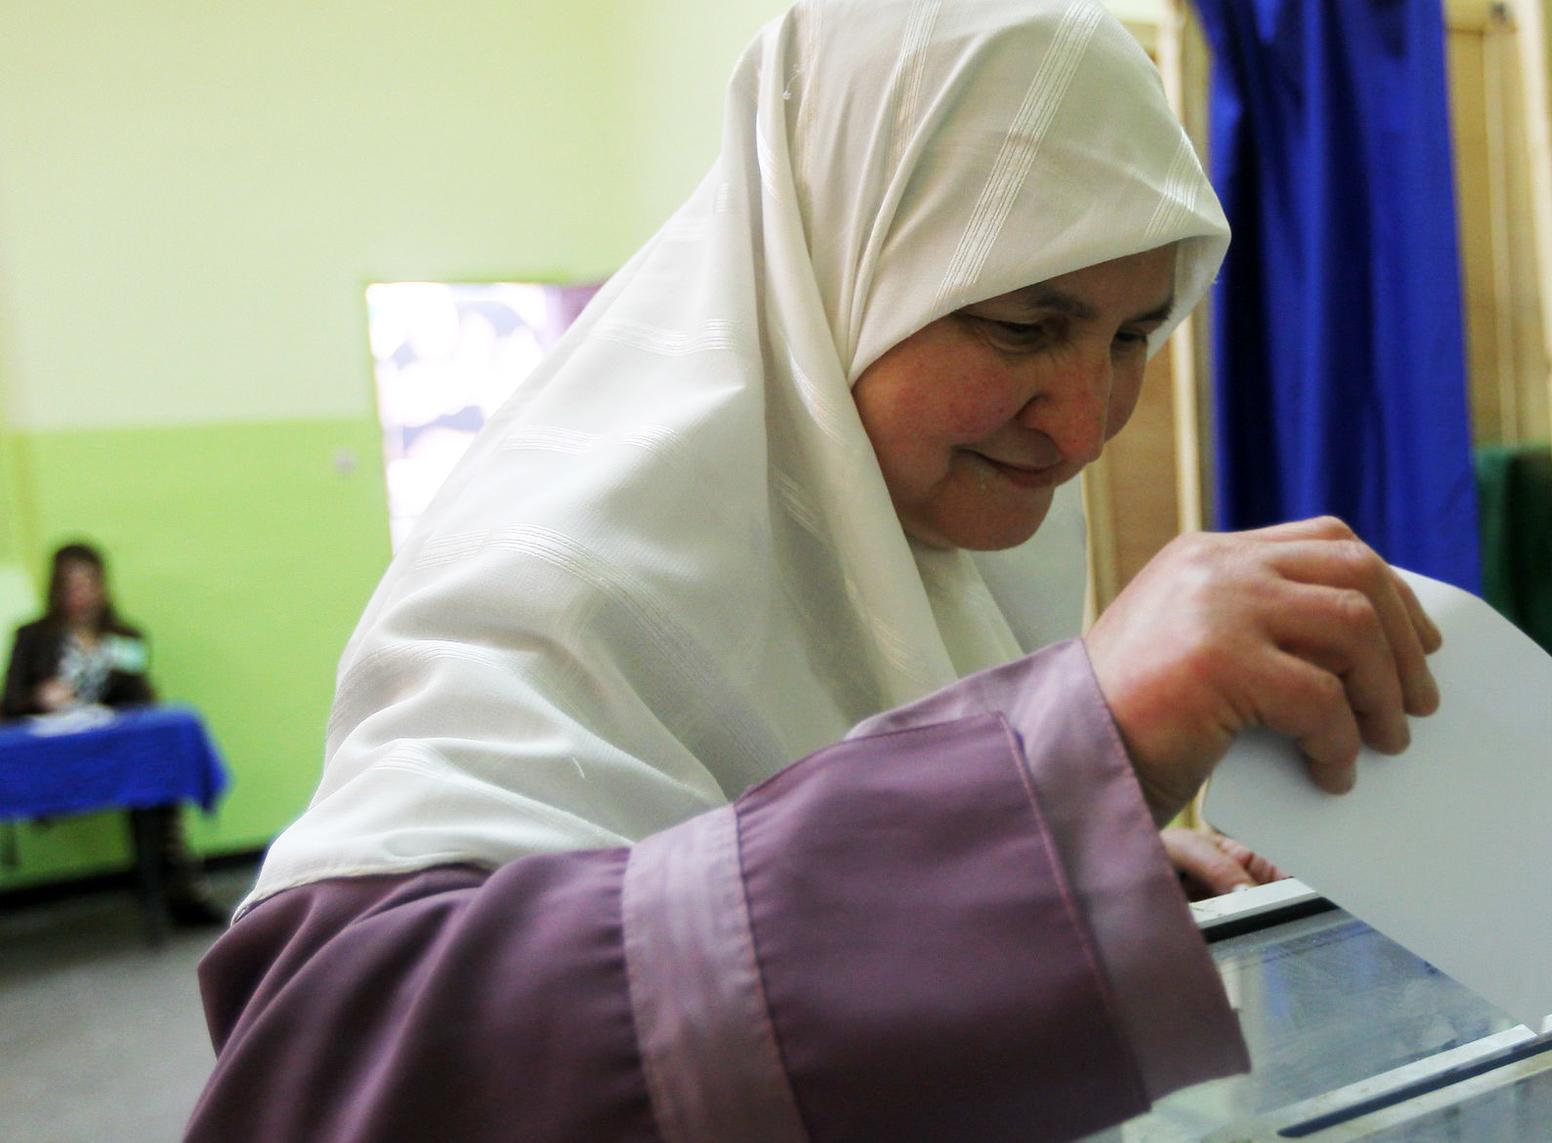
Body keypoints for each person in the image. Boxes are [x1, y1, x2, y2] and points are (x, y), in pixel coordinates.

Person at [188, 2, 1442, 1139]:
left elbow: (777, 872)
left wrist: (1044, 891)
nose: (1079, 426)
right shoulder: (559, 569)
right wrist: (1053, 765)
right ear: (832, 268)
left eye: (1131, 338)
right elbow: (323, 1058)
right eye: (1018, 324)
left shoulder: (935, 515)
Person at [2, 542, 224, 925]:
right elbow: (10, 703)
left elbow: (142, 700)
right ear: (56, 589)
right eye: (71, 585)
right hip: (53, 755)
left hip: (112, 752)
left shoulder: (125, 636)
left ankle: (178, 889)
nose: (80, 594)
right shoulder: (34, 637)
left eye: (88, 583)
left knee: (157, 776)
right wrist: (39, 697)